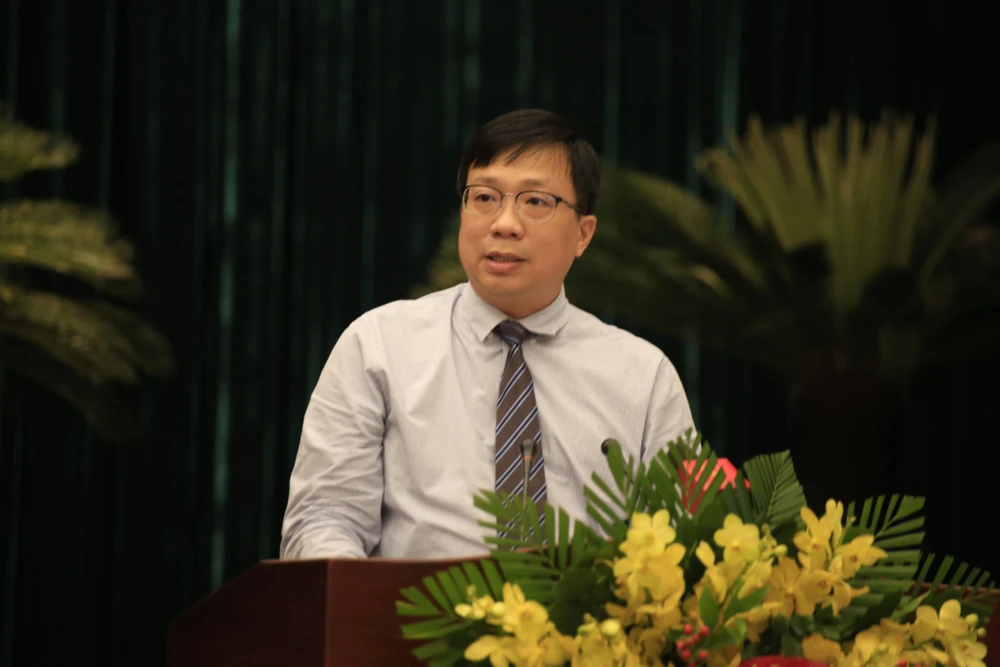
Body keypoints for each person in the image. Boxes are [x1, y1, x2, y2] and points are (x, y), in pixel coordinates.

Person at [280, 109, 695, 560]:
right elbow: (323, 520)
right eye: (484, 197)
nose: (504, 223)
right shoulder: (378, 346)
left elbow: (678, 548)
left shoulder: (643, 377)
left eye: (535, 201)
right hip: (417, 605)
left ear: (583, 233)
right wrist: (361, 600)